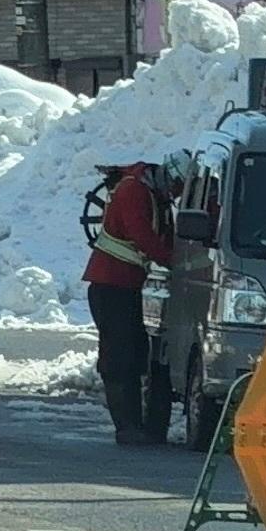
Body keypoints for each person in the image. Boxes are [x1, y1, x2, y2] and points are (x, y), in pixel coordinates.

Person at [82, 161, 173, 445]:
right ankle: (126, 426)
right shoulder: (135, 192)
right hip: (112, 287)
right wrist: (174, 261)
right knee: (120, 356)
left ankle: (134, 424)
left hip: (123, 286)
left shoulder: (143, 190)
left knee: (132, 353)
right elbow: (142, 235)